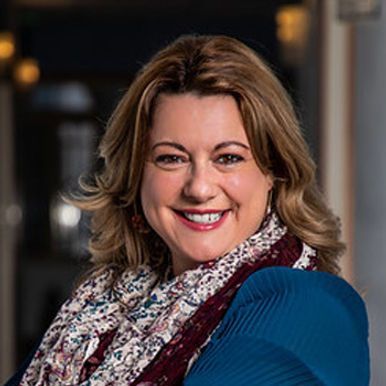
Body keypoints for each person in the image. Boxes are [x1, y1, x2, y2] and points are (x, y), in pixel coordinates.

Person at [6, 35, 369, 385]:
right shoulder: (97, 310)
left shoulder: (307, 304)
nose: (198, 188)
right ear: (136, 175)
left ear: (273, 171)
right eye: (171, 158)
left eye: (228, 158)